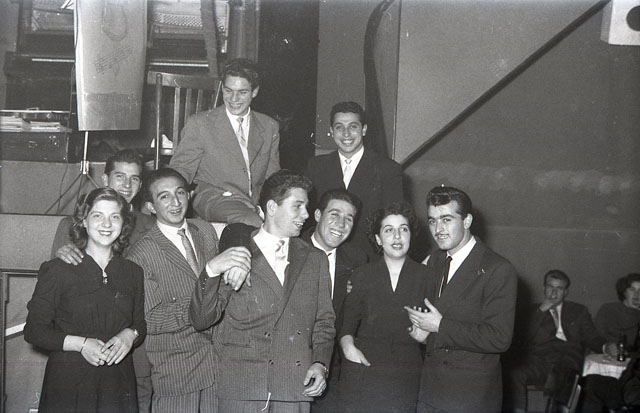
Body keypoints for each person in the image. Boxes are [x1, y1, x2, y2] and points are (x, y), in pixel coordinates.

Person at [189, 169, 336, 413]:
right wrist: (211, 270)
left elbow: (324, 322)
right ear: (272, 207)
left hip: (293, 389)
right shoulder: (235, 254)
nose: (306, 214)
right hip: (242, 390)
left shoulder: (315, 259)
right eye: (297, 206)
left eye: (306, 207)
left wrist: (321, 363)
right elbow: (202, 320)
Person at [127, 168, 252, 413]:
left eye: (180, 193)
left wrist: (224, 283)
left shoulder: (204, 230)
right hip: (177, 373)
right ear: (151, 207)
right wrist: (201, 305)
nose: (175, 202)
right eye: (164, 196)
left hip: (217, 366)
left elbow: (222, 286)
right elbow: (151, 319)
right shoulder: (142, 252)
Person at [24, 187, 146, 412]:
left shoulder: (133, 272)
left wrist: (131, 334)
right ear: (83, 221)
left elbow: (139, 323)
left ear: (123, 224)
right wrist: (81, 344)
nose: (107, 224)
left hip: (117, 384)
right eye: (97, 215)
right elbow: (34, 330)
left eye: (114, 217)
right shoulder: (58, 269)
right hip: (69, 382)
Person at [405, 185, 518, 413]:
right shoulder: (435, 261)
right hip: (430, 392)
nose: (438, 229)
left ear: (467, 221)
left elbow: (499, 338)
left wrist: (439, 326)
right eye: (432, 221)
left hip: (468, 398)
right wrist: (425, 335)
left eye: (446, 220)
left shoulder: (497, 268)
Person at [337, 202, 427, 412]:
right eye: (388, 230)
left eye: (403, 229)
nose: (397, 236)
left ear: (411, 236)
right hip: (365, 372)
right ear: (378, 239)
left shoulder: (427, 276)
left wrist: (426, 337)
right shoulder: (361, 274)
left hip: (408, 377)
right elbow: (346, 324)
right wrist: (348, 347)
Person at [170, 58, 280, 227]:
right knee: (250, 220)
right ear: (222, 88)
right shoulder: (200, 124)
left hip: (255, 201)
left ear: (255, 92)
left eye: (242, 92)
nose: (234, 98)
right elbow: (180, 172)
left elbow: (273, 177)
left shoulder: (269, 126)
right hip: (216, 198)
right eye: (228, 91)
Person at [503, 269, 617, 413]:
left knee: (564, 374)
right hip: (540, 361)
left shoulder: (578, 311)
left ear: (565, 292)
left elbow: (591, 337)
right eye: (550, 287)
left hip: (567, 359)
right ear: (544, 288)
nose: (553, 293)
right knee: (514, 373)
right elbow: (523, 338)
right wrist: (540, 312)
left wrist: (606, 347)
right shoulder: (531, 311)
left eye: (559, 288)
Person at [304, 101, 404, 258]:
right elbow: (309, 216)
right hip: (321, 256)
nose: (346, 134)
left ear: (364, 130)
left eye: (353, 126)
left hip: (368, 259)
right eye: (339, 127)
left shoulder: (388, 169)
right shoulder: (316, 166)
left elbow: (394, 222)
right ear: (331, 131)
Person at [304, 188, 368, 412]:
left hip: (334, 368)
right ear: (317, 215)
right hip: (291, 361)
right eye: (334, 214)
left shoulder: (357, 260)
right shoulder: (292, 249)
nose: (341, 224)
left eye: (349, 218)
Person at [51, 148, 154, 265]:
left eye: (134, 179)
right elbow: (55, 270)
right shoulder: (69, 225)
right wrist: (61, 256)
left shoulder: (151, 227)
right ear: (105, 179)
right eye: (120, 176)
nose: (127, 185)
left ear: (140, 185)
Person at [595, 273, 640, 348]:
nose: (636, 294)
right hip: (605, 352)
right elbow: (597, 337)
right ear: (624, 292)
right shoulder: (608, 309)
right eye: (632, 289)